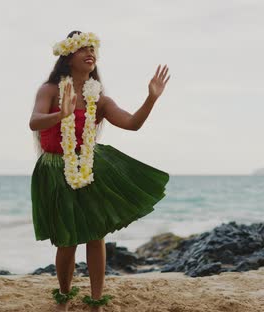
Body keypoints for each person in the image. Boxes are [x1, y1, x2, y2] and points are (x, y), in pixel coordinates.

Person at [28, 30, 170, 312]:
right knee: (67, 238)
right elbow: (34, 122)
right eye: (83, 48)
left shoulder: (100, 98)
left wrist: (151, 98)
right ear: (68, 57)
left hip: (90, 164)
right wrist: (61, 114)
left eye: (93, 48)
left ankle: (96, 299)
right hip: (56, 167)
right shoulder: (50, 90)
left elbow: (132, 123)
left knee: (96, 234)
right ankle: (64, 296)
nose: (90, 52)